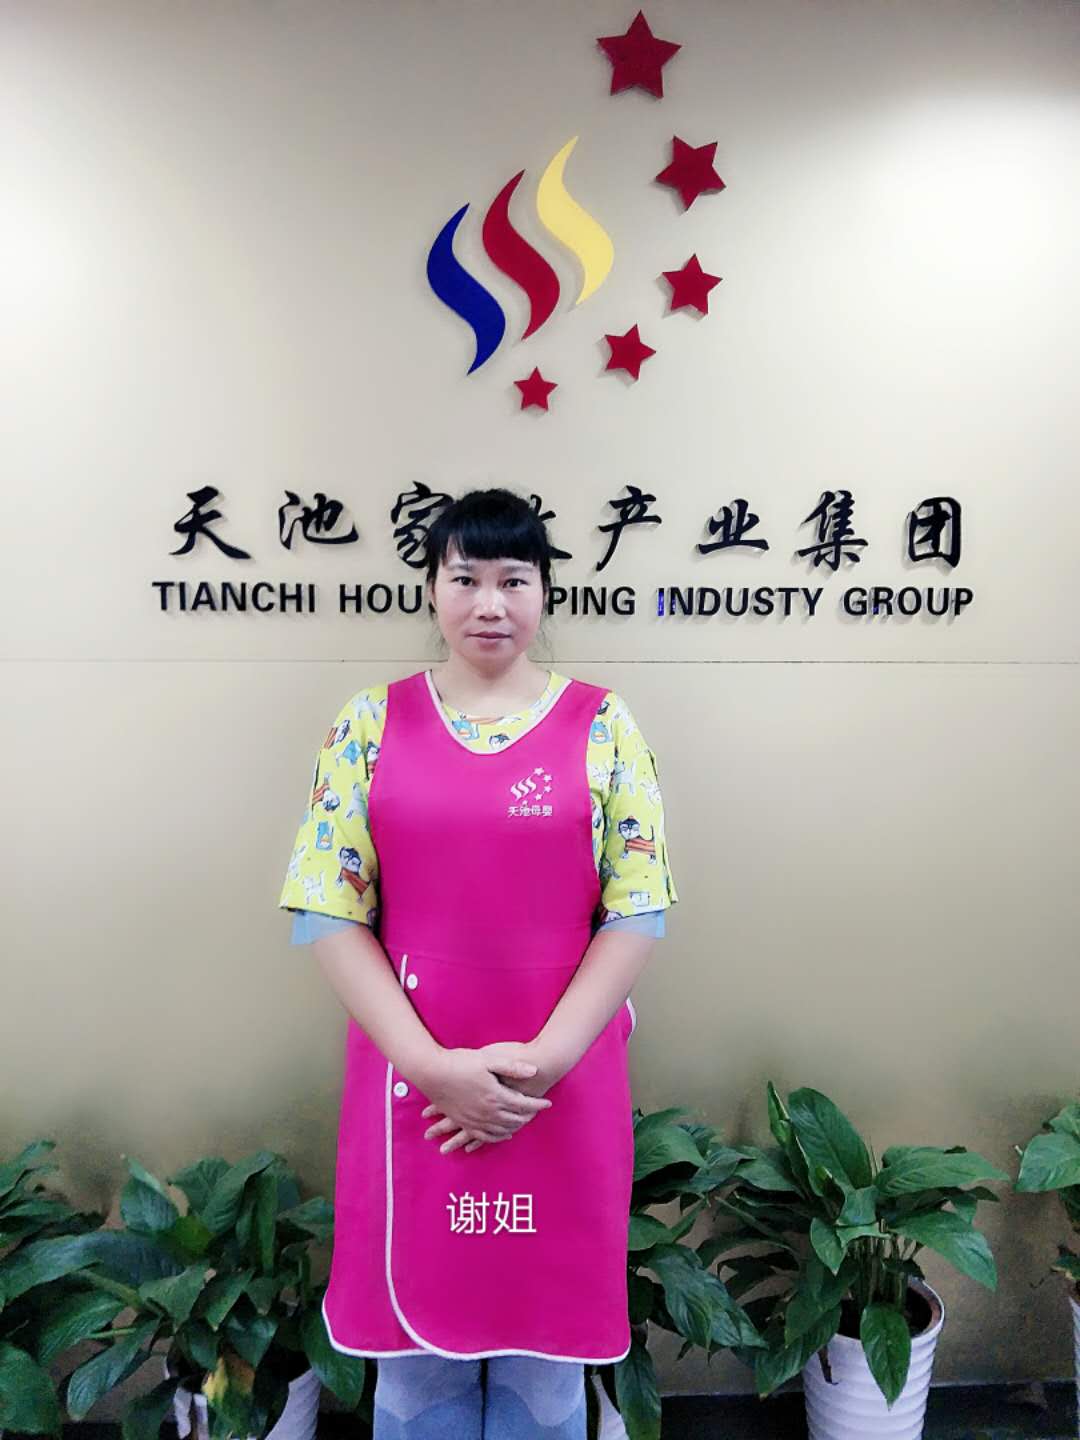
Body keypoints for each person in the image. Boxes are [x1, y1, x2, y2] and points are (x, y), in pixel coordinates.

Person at [278, 487, 679, 1438]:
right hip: (412, 1082)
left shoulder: (603, 724)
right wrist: (431, 1069)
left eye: (513, 579)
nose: (489, 603)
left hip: (559, 1086)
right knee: (415, 1375)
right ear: (431, 588)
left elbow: (639, 906)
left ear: (545, 591)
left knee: (548, 1366)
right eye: (466, 578)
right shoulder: (370, 724)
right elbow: (328, 910)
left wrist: (544, 1063)